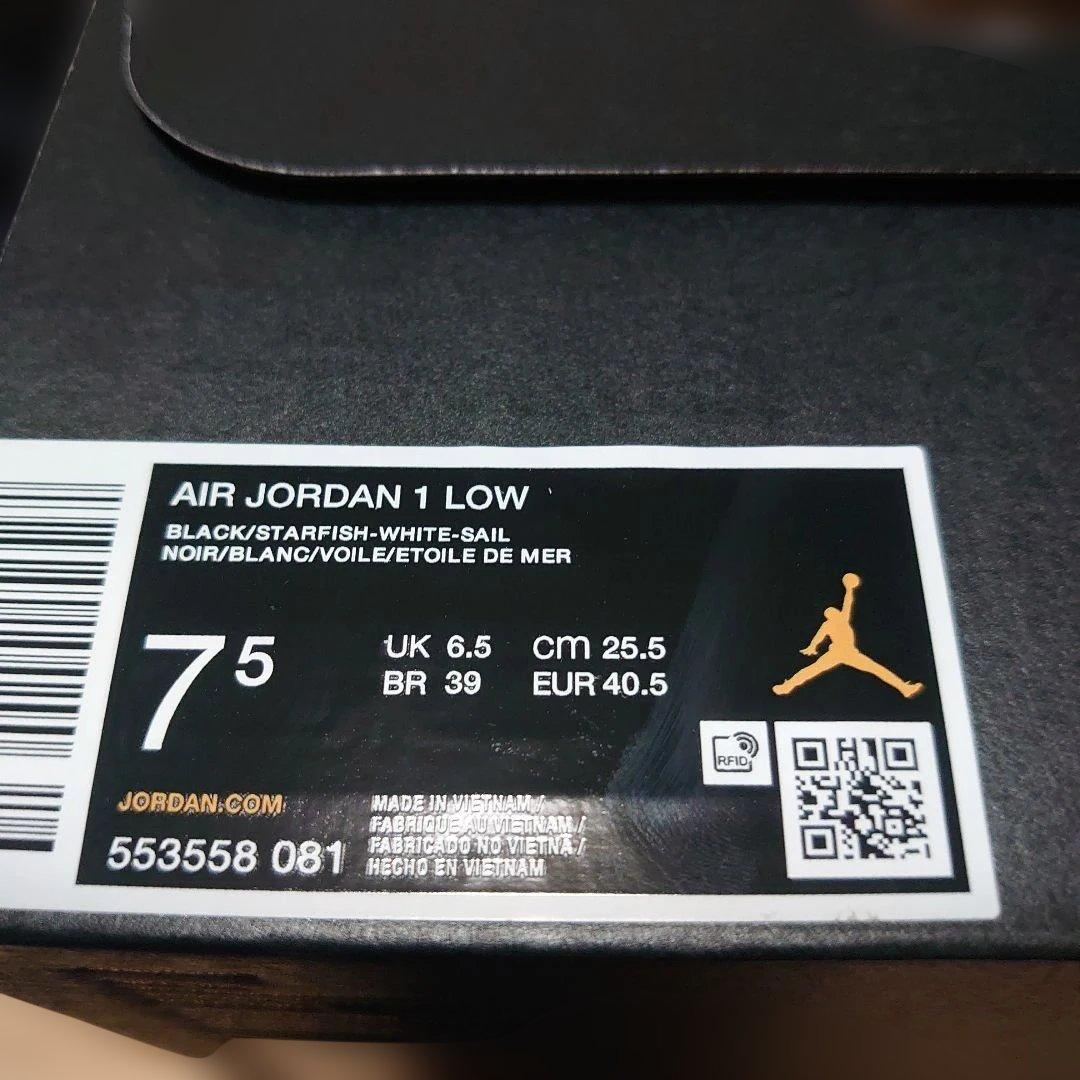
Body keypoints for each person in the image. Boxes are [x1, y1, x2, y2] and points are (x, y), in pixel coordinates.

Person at [772, 572, 924, 698]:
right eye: (830, 612)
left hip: (849, 653)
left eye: (834, 610)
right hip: (837, 652)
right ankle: (786, 686)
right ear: (829, 616)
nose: (834, 612)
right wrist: (812, 647)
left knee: (877, 670)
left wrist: (849, 589)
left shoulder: (842, 619)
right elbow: (818, 637)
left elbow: (847, 602)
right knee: (810, 671)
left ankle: (904, 688)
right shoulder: (829, 624)